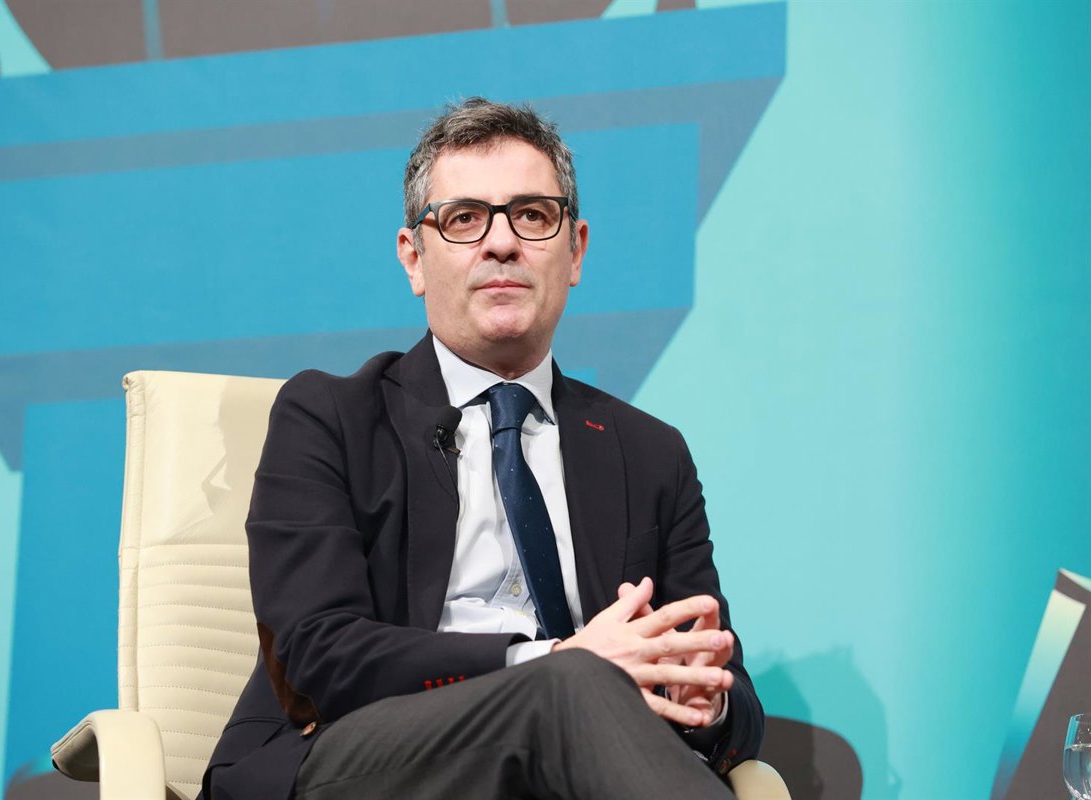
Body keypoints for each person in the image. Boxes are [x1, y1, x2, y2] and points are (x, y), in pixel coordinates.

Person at [202, 98, 763, 800]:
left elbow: (733, 698)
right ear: (414, 257)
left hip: (587, 766)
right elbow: (319, 654)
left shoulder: (650, 453)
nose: (502, 243)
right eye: (465, 218)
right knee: (570, 683)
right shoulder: (330, 416)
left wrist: (700, 698)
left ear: (576, 250)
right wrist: (556, 659)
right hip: (365, 761)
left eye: (532, 215)